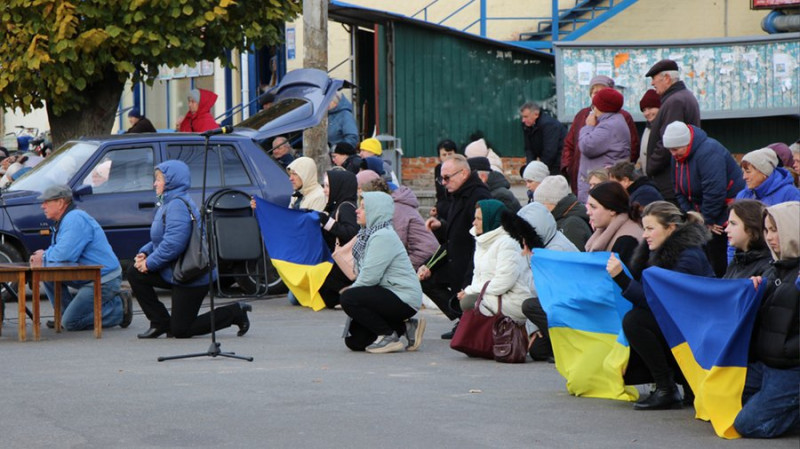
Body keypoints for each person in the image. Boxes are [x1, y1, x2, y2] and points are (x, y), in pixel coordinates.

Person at [607, 201, 714, 410]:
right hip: (684, 326)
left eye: (650, 228)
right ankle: (672, 385)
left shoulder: (688, 255)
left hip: (698, 330)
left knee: (636, 321)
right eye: (644, 228)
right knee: (637, 318)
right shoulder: (657, 250)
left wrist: (621, 278)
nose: (645, 235)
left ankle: (668, 388)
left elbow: (662, 304)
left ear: (670, 228)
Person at [129, 160, 251, 339]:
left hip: (190, 273)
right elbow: (160, 237)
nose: (155, 183)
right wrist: (145, 253)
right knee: (134, 272)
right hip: (175, 269)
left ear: (171, 182)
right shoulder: (167, 203)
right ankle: (160, 322)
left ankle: (235, 313)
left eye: (159, 179)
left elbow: (174, 243)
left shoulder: (177, 205)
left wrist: (150, 263)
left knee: (181, 330)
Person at [733, 201, 800, 438]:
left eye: (776, 229)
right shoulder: (775, 268)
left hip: (791, 367)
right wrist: (754, 294)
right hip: (768, 363)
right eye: (767, 230)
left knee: (746, 425)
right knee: (723, 395)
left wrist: (790, 351)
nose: (769, 237)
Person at [28, 185, 131, 331]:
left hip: (104, 279)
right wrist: (44, 256)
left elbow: (65, 255)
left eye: (46, 202)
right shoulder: (65, 219)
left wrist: (43, 256)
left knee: (71, 323)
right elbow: (60, 250)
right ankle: (64, 315)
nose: (42, 206)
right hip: (87, 275)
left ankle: (119, 310)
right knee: (48, 275)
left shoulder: (75, 219)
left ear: (61, 202)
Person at [340, 191, 425, 353]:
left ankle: (388, 336)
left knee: (348, 298)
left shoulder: (382, 236)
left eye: (363, 208)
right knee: (355, 342)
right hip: (386, 293)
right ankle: (406, 327)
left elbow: (369, 278)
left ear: (376, 211)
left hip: (402, 296)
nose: (357, 211)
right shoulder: (368, 234)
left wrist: (352, 292)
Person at [663, 121, 745, 277]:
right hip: (703, 215)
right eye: (670, 150)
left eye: (675, 149)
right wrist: (694, 217)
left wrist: (707, 221)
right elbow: (678, 190)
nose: (673, 154)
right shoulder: (677, 156)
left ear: (686, 143)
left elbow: (714, 191)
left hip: (724, 213)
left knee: (717, 257)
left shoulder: (709, 152)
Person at [422, 154, 491, 339]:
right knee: (426, 279)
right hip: (456, 257)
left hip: (470, 261)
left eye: (447, 177)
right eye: (441, 178)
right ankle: (461, 318)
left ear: (463, 173)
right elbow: (453, 235)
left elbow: (480, 240)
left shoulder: (478, 195)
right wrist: (440, 227)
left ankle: (465, 322)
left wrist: (470, 278)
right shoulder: (457, 195)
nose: (443, 183)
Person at [502, 202, 579, 361]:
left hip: (571, 309)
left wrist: (530, 258)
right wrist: (534, 328)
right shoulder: (534, 247)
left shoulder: (557, 249)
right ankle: (557, 343)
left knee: (529, 305)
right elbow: (530, 289)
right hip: (553, 308)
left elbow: (543, 291)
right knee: (537, 351)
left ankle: (570, 344)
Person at [561, 75, 640, 194]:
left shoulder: (613, 121)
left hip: (602, 181)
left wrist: (588, 126)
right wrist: (569, 166)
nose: (595, 97)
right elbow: (570, 143)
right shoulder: (582, 115)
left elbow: (587, 146)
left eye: (600, 92)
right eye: (594, 92)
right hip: (584, 175)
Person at [458, 200, 531, 325]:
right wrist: (470, 291)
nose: (474, 223)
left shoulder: (507, 242)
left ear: (491, 220)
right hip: (492, 295)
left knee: (468, 302)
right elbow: (478, 274)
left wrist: (470, 290)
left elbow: (504, 282)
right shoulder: (483, 240)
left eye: (479, 219)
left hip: (512, 298)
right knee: (466, 301)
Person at [644, 59, 701, 202]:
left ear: (667, 78)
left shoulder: (674, 102)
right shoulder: (682, 97)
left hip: (670, 182)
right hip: (677, 178)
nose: (652, 83)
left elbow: (668, 142)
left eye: (654, 79)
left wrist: (650, 167)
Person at [362, 178, 438, 271]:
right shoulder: (393, 206)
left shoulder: (395, 209)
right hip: (419, 255)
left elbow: (395, 243)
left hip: (424, 258)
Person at [577, 87, 632, 203]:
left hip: (601, 187)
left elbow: (586, 146)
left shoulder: (609, 126)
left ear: (601, 108)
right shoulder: (614, 122)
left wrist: (588, 126)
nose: (593, 110)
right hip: (601, 183)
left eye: (594, 106)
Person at [318, 170, 360, 308]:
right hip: (339, 263)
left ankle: (350, 294)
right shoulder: (337, 205)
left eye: (328, 186)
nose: (324, 191)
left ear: (339, 186)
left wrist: (328, 223)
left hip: (344, 263)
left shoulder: (346, 207)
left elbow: (351, 232)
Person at [585, 181, 643, 266]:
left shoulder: (627, 240)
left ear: (612, 210)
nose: (588, 212)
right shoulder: (609, 228)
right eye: (588, 206)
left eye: (593, 207)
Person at [533, 175, 592, 251]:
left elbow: (572, 257)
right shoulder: (561, 216)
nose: (539, 209)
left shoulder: (572, 224)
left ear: (554, 202)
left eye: (542, 204)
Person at [722, 200, 772, 279]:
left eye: (733, 223)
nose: (726, 229)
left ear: (751, 227)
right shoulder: (737, 260)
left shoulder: (768, 266)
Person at [735, 147, 800, 204]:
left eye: (748, 172)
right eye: (743, 172)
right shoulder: (742, 196)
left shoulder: (790, 194)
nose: (744, 177)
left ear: (764, 172)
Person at [520, 101, 566, 174]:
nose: (523, 120)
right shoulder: (527, 125)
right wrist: (530, 167)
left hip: (558, 163)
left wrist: (539, 169)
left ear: (536, 114)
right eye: (522, 117)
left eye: (526, 117)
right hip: (546, 161)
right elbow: (528, 148)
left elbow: (550, 151)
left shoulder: (549, 125)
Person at [432, 139, 457, 220]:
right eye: (444, 155)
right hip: (443, 206)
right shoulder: (438, 169)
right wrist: (437, 207)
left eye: (450, 154)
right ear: (439, 157)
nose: (447, 157)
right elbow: (439, 192)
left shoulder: (460, 168)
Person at [637, 89, 661, 173]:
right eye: (644, 110)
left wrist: (650, 167)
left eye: (650, 108)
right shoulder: (648, 127)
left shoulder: (663, 127)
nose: (646, 113)